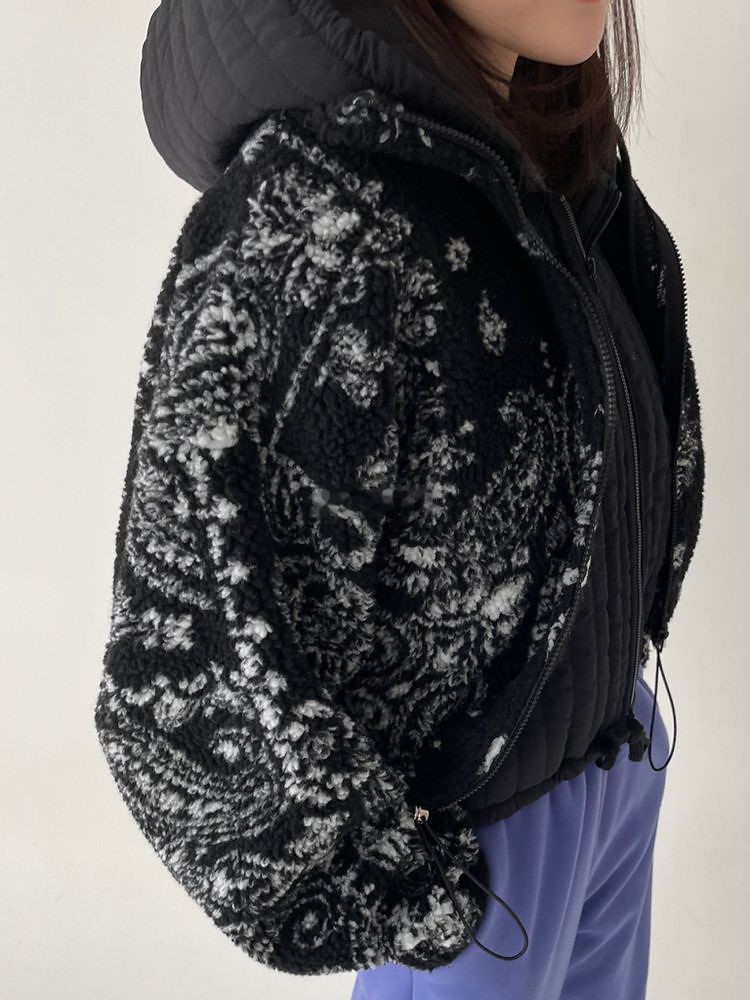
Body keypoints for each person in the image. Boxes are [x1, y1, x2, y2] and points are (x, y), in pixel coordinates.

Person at [93, 1, 705, 997]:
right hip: (476, 856)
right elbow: (189, 643)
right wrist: (391, 889)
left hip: (608, 767)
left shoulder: (549, 171)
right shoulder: (314, 214)